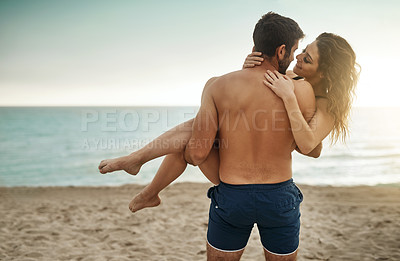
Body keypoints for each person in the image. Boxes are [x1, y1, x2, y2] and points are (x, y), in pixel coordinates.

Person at [98, 13, 359, 261]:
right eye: (298, 51)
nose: (298, 57)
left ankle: (140, 169)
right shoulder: (298, 86)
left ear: (324, 73)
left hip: (233, 192)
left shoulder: (317, 101)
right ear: (281, 51)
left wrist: (281, 96)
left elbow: (312, 148)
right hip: (278, 195)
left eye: (307, 57)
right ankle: (141, 172)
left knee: (193, 135)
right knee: (200, 128)